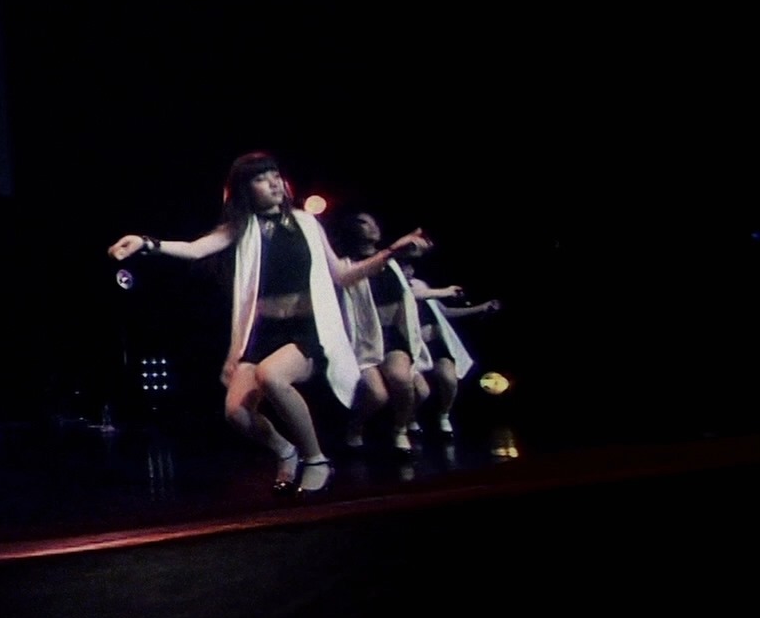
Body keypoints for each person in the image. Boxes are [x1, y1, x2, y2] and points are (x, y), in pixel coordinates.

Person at [107, 152, 429, 495]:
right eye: (261, 178)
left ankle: (316, 458)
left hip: (305, 330)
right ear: (245, 189)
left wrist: (389, 253)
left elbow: (342, 275)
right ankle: (285, 451)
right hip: (262, 333)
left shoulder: (306, 222)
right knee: (236, 413)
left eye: (275, 175)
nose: (274, 183)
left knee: (272, 376)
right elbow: (195, 248)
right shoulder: (243, 226)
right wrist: (147, 243)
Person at [335, 212, 434, 456]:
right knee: (377, 395)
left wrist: (418, 243)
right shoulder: (346, 265)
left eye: (374, 222)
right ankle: (355, 427)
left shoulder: (393, 263)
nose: (372, 227)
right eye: (363, 222)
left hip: (392, 335)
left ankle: (399, 430)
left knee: (407, 382)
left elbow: (416, 251)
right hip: (362, 339)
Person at [404, 260, 500, 435]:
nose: (408, 271)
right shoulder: (398, 288)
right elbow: (414, 295)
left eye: (409, 267)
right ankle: (407, 418)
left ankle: (444, 415)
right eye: (404, 267)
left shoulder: (420, 284)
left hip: (435, 344)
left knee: (449, 378)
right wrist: (446, 291)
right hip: (412, 347)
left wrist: (480, 308)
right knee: (420, 391)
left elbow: (445, 311)